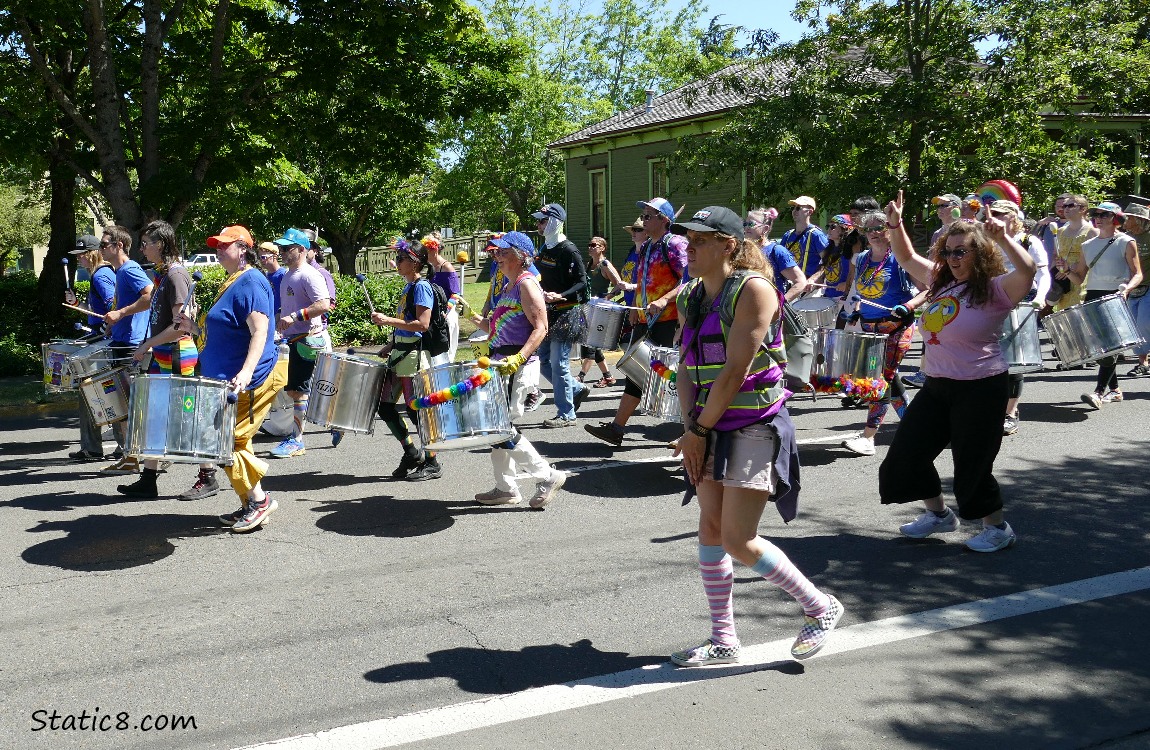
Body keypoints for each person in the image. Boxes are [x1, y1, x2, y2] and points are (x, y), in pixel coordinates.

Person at [668, 205, 843, 666]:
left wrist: (700, 429)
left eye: (702, 239)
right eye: (689, 238)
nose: (691, 246)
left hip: (752, 422)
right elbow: (685, 368)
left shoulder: (754, 290)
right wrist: (691, 428)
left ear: (729, 244)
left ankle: (820, 606)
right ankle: (724, 638)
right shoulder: (689, 296)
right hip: (705, 424)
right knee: (710, 527)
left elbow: (735, 369)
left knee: (738, 538)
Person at [878, 191, 1035, 552]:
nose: (953, 258)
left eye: (961, 251)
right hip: (937, 385)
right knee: (906, 456)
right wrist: (895, 223)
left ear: (980, 252)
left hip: (980, 387)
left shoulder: (996, 289)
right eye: (948, 252)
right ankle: (939, 515)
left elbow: (1027, 270)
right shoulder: (942, 281)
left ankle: (998, 528)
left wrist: (1004, 237)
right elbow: (904, 256)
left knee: (972, 466)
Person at [178, 225, 287, 533]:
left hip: (248, 379)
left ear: (243, 248)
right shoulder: (232, 281)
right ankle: (249, 503)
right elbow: (225, 331)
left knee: (228, 441)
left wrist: (246, 372)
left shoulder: (251, 280)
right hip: (227, 378)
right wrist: (193, 327)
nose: (217, 249)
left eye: (224, 245)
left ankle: (259, 501)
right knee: (230, 442)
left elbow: (260, 332)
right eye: (216, 244)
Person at [118, 220, 218, 500]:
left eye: (147, 243)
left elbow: (181, 326)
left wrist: (147, 343)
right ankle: (148, 479)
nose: (142, 248)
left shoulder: (176, 276)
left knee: (187, 418)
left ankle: (208, 477)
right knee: (156, 415)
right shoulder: (164, 275)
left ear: (160, 244)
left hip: (177, 355)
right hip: (164, 354)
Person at [470, 232, 567, 507]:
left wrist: (519, 358)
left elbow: (541, 328)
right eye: (496, 253)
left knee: (501, 427)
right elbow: (496, 329)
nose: (497, 257)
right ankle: (506, 488)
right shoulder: (508, 286)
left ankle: (548, 475)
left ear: (520, 256)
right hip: (500, 363)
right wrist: (471, 317)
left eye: (503, 252)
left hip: (517, 364)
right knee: (497, 427)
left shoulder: (526, 285)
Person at [585, 197, 686, 445]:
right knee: (638, 372)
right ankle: (617, 429)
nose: (643, 220)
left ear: (664, 220)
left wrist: (664, 301)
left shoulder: (675, 245)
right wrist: (637, 309)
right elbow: (643, 281)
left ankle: (692, 431)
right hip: (646, 317)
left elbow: (689, 280)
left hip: (669, 319)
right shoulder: (649, 246)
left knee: (672, 376)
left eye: (649, 216)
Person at [840, 210, 923, 457]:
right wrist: (855, 310)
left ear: (890, 230)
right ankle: (916, 425)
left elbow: (927, 289)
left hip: (896, 327)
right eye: (869, 229)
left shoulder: (902, 258)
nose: (874, 233)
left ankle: (868, 438)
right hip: (869, 327)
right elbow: (860, 292)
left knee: (879, 379)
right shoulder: (862, 258)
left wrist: (909, 305)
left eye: (880, 227)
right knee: (889, 378)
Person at [371, 239, 443, 482]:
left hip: (413, 358)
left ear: (415, 262)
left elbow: (422, 324)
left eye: (402, 259)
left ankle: (432, 461)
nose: (397, 263)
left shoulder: (421, 287)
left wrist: (387, 320)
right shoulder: (408, 286)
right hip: (400, 354)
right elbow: (408, 325)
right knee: (385, 406)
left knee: (417, 412)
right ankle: (411, 452)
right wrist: (391, 344)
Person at [986, 200, 1051, 435]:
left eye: (1000, 214)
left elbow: (1043, 273)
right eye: (992, 214)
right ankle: (990, 408)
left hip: (1023, 299)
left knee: (1015, 360)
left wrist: (1041, 296)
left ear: (1014, 217)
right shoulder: (986, 241)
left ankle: (1010, 412)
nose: (994, 217)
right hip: (992, 298)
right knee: (990, 357)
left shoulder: (1029, 241)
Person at [1069, 202, 1143, 408]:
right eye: (1095, 214)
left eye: (1104, 214)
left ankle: (1099, 392)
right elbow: (1079, 278)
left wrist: (1127, 289)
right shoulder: (1087, 245)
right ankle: (1116, 391)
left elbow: (1138, 273)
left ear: (1116, 219)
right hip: (1092, 294)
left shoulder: (1126, 241)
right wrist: (1067, 271)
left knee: (1111, 347)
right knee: (1102, 348)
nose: (1098, 217)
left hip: (1116, 294)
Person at [270, 228, 333, 458]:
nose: (283, 252)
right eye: (282, 248)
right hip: (294, 340)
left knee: (299, 391)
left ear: (302, 249)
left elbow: (324, 304)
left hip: (307, 340)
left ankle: (296, 439)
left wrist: (295, 317)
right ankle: (332, 424)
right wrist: (278, 320)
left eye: (288, 248)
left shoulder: (309, 274)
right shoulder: (289, 274)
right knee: (304, 390)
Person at [98, 225, 154, 475]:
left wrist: (120, 312)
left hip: (131, 345)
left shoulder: (130, 269)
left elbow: (149, 295)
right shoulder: (119, 271)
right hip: (123, 340)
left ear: (118, 245)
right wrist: (114, 323)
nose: (100, 249)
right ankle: (130, 457)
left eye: (104, 245)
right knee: (124, 404)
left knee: (131, 405)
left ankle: (137, 457)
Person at [532, 203, 591, 428]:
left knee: (559, 363)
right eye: (539, 221)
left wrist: (561, 295)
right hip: (548, 313)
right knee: (543, 360)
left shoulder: (569, 249)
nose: (539, 224)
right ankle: (576, 389)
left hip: (567, 313)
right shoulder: (545, 248)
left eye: (543, 221)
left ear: (555, 222)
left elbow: (583, 283)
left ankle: (566, 414)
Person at [66, 235, 117, 462]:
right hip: (104, 339)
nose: (79, 260)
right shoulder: (101, 274)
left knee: (94, 392)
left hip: (104, 341)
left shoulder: (101, 275)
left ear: (92, 253)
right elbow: (101, 310)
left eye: (81, 255)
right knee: (106, 392)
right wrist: (77, 305)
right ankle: (116, 446)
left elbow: (112, 307)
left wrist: (107, 330)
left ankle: (95, 448)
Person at [578, 235, 620, 387]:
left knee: (590, 343)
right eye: (589, 244)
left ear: (602, 248)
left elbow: (619, 284)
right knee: (591, 343)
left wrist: (608, 297)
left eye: (594, 245)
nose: (590, 247)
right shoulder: (589, 264)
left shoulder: (605, 265)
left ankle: (580, 377)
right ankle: (608, 376)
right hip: (589, 307)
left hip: (600, 309)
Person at [1047, 193, 1097, 314]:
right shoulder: (1060, 231)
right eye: (1064, 206)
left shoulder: (1092, 232)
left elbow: (1096, 260)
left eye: (1070, 205)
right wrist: (1056, 270)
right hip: (1063, 283)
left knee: (1081, 318)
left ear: (1083, 209)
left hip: (1082, 281)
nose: (1065, 209)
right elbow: (1055, 255)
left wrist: (1073, 267)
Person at [745, 207, 807, 301]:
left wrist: (780, 305)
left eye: (751, 224)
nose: (747, 227)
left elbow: (800, 282)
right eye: (745, 224)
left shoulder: (777, 251)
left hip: (770, 309)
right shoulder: (742, 250)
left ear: (765, 229)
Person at [1121, 203, 1150, 377]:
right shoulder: (1127, 238)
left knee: (1144, 323)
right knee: (1134, 327)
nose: (1125, 220)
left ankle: (1143, 362)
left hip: (1149, 285)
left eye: (1128, 217)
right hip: (1132, 287)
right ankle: (1142, 363)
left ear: (1139, 219)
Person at [811, 213, 856, 324]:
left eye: (833, 226)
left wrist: (847, 283)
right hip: (828, 298)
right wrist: (813, 281)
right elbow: (823, 270)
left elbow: (858, 272)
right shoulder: (829, 250)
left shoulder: (851, 250)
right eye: (828, 226)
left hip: (845, 300)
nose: (829, 229)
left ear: (844, 229)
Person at [424, 232, 462, 362]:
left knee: (448, 354)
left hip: (447, 315)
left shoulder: (446, 267)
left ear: (434, 250)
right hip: (435, 316)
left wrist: (445, 311)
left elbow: (456, 294)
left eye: (426, 250)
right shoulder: (430, 267)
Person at [779, 195, 829, 279]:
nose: (794, 211)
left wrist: (813, 280)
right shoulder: (788, 235)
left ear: (809, 212)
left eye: (798, 208)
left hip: (808, 285)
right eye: (793, 208)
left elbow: (828, 262)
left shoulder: (816, 235)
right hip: (789, 283)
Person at [259, 242, 285, 320]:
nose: (261, 260)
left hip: (280, 317)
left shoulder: (283, 275)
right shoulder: (264, 276)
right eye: (259, 257)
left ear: (274, 256)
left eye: (263, 257)